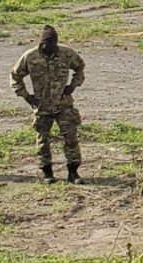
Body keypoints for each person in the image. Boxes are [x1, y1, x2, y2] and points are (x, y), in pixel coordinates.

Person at [12, 23, 87, 183]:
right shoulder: (30, 56)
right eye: (46, 44)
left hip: (63, 104)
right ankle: (47, 173)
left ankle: (73, 172)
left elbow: (80, 67)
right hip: (42, 106)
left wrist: (73, 85)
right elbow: (15, 75)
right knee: (42, 140)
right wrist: (26, 95)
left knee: (71, 138)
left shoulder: (67, 54)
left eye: (52, 44)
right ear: (41, 43)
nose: (49, 47)